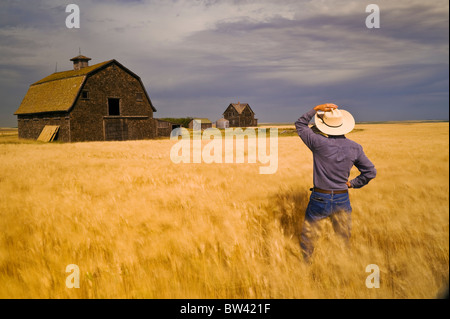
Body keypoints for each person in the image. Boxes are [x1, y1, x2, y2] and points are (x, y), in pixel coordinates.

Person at [295, 103, 377, 262]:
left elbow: (300, 124)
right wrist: (352, 183)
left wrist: (316, 109)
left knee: (309, 236)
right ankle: (343, 269)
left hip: (319, 197)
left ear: (324, 126)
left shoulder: (318, 143)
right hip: (342, 197)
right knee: (343, 239)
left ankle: (304, 267)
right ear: (343, 126)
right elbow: (370, 172)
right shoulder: (355, 148)